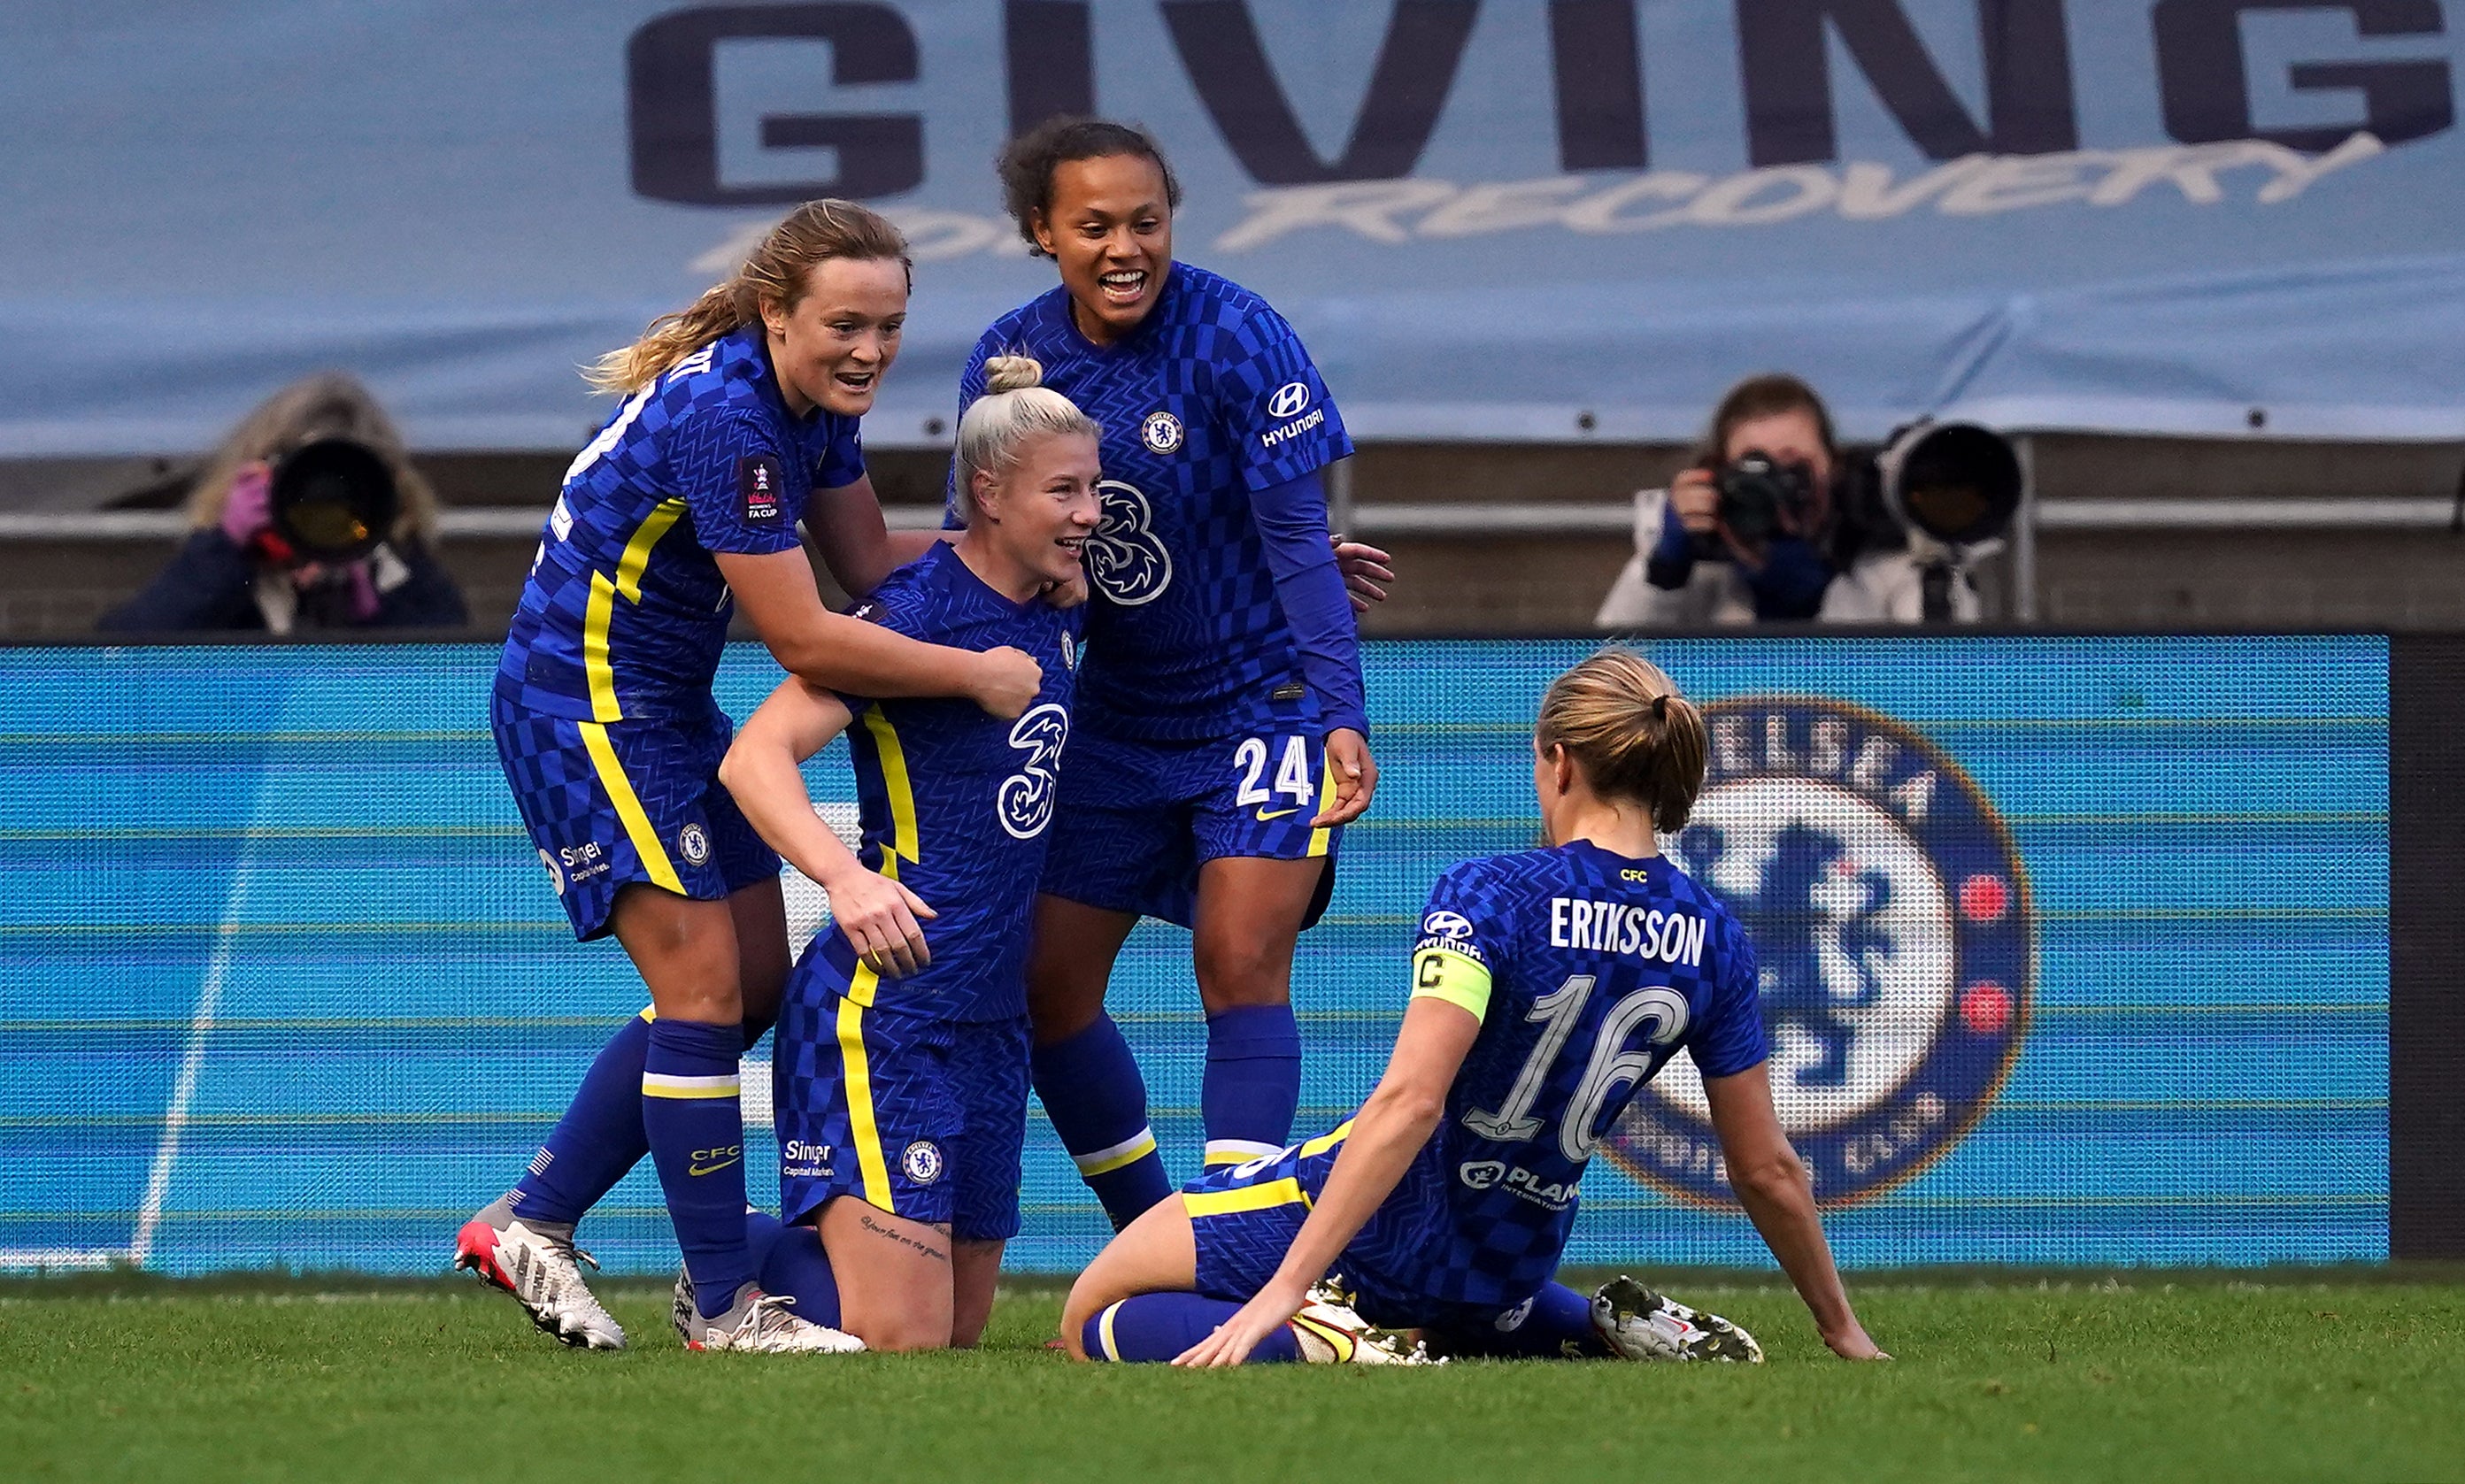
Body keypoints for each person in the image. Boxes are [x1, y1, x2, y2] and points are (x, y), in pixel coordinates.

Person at [455, 200, 1044, 1354]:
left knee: (752, 989)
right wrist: (976, 669)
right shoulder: (728, 415)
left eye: (888, 325)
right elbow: (814, 641)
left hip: (660, 709)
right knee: (703, 996)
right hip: (582, 708)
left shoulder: (805, 402)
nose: (869, 350)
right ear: (776, 313)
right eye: (844, 324)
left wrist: (1030, 543)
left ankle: (529, 1218)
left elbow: (870, 560)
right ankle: (726, 1305)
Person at [1059, 650, 1889, 1367]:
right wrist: (1840, 1326)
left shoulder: (1489, 892)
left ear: (1558, 762)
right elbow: (1765, 1167)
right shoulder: (1717, 938)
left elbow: (1412, 1101)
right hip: (1506, 1266)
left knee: (1093, 1312)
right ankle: (1588, 1321)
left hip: (1377, 1230)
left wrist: (1287, 1287)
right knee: (1472, 1300)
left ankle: (1328, 1335)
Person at [961, 118, 1376, 1231]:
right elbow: (990, 561)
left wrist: (1340, 712)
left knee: (1240, 966)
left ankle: (1237, 1234)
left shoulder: (1241, 335)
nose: (1123, 245)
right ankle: (1155, 1235)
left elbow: (1296, 538)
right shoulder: (1010, 361)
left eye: (1145, 221)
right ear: (1042, 233)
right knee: (1044, 988)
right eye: (1092, 225)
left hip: (1262, 703)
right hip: (1110, 720)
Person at [709, 357, 1097, 1351]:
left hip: (990, 1013)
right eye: (1064, 491)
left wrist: (1313, 565)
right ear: (988, 495)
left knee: (957, 1339)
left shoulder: (1057, 600)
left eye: (1092, 488)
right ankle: (732, 1265)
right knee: (904, 1344)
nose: (1089, 512)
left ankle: (783, 1270)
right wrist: (843, 879)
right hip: (889, 1010)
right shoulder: (920, 614)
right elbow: (755, 759)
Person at [98, 372, 468, 633]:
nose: (323, 506)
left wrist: (373, 612)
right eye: (303, 478)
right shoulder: (222, 576)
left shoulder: (405, 580)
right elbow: (117, 667)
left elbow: (448, 696)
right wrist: (223, 550)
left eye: (347, 486)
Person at [1594, 374, 1840, 627]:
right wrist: (1664, 574)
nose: (1772, 489)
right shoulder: (1705, 570)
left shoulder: (1872, 566)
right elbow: (1610, 660)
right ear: (1719, 474)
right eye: (1754, 468)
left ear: (1833, 467)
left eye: (1793, 466)